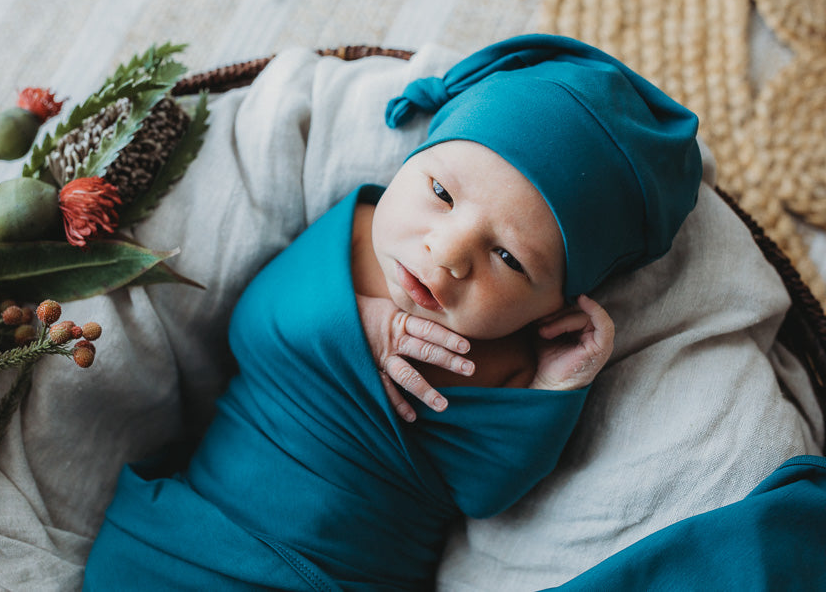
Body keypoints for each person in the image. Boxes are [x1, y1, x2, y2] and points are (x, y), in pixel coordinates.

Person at [83, 34, 702, 591]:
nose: (448, 253)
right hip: (193, 537)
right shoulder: (354, 236)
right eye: (440, 193)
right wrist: (354, 331)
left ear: (558, 302)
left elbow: (483, 493)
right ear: (412, 160)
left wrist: (555, 388)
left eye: (509, 258)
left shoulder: (512, 360)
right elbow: (251, 329)